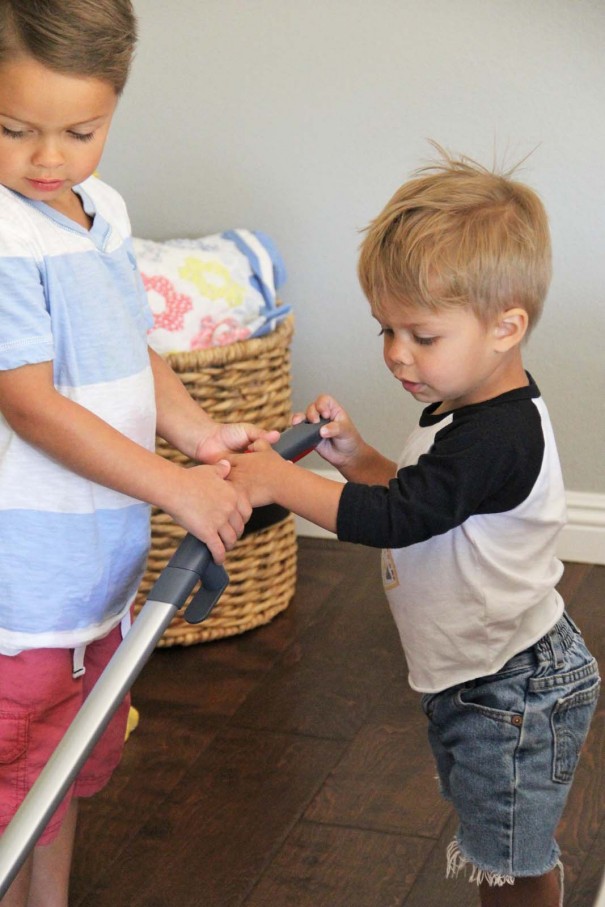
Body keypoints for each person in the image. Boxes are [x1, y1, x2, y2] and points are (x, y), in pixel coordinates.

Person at [228, 147, 600, 906]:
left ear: (505, 326)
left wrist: (283, 479)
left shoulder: (498, 435)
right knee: (497, 835)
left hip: (513, 683)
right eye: (384, 331)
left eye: (421, 335)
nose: (397, 354)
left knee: (508, 857)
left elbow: (398, 515)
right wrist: (350, 454)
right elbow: (419, 507)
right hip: (477, 674)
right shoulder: (461, 415)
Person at [0, 2, 279, 904]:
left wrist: (196, 433)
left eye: (81, 132)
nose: (49, 159)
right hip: (15, 599)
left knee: (65, 764)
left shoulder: (102, 213)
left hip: (95, 591)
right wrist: (174, 486)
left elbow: (131, 347)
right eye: (12, 129)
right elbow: (29, 405)